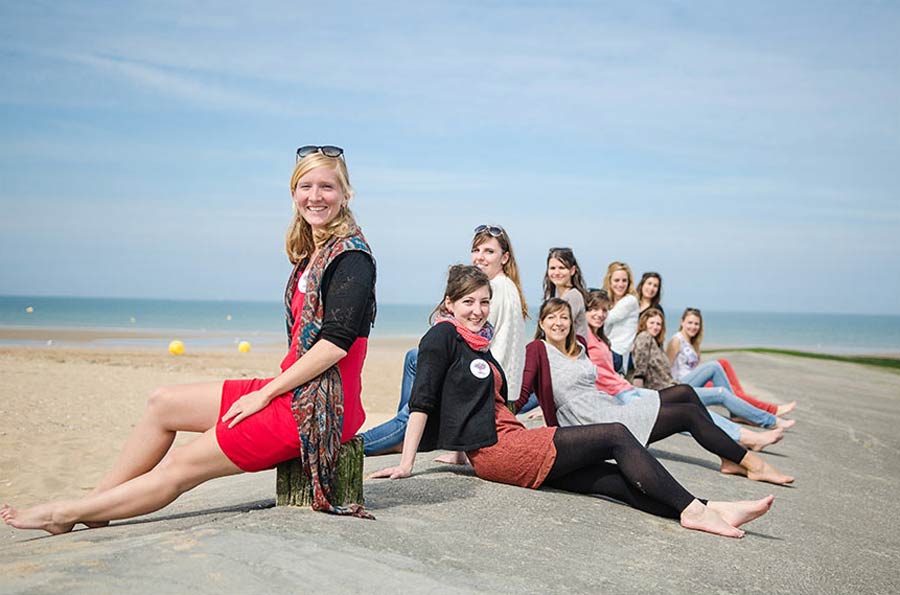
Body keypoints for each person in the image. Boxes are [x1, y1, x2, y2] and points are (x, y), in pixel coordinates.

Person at [1, 145, 377, 534]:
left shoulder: (352, 258)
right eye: (305, 186)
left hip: (320, 410)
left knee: (180, 467)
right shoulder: (312, 253)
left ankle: (62, 514)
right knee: (162, 403)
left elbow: (335, 344)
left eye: (327, 187)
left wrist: (263, 396)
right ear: (293, 192)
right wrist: (270, 391)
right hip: (294, 391)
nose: (315, 196)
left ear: (346, 194)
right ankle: (95, 506)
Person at [370, 265, 775, 539]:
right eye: (468, 303)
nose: (477, 311)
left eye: (484, 301)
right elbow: (422, 401)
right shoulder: (442, 336)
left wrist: (459, 454)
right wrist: (406, 464)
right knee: (616, 435)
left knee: (610, 479)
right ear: (449, 305)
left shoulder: (480, 345)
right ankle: (695, 512)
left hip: (511, 440)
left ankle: (711, 508)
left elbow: (472, 404)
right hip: (501, 451)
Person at [516, 298, 794, 484]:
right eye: (551, 317)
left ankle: (728, 457)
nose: (558, 322)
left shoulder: (579, 344)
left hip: (608, 405)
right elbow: (524, 389)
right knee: (686, 414)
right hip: (587, 422)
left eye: (563, 317)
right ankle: (753, 464)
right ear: (541, 323)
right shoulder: (538, 350)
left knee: (685, 391)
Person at [360, 224, 529, 455]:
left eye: (489, 251)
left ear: (505, 257)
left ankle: (377, 438)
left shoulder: (494, 289)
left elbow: (476, 348)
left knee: (421, 379)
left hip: (487, 389)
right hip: (498, 383)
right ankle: (408, 429)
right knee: (415, 358)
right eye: (477, 250)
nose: (480, 257)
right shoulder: (506, 286)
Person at [631, 307, 794, 434]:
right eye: (652, 322)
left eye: (659, 323)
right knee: (720, 388)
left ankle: (740, 413)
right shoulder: (647, 338)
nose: (656, 326)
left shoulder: (654, 342)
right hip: (669, 391)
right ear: (644, 322)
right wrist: (640, 401)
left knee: (717, 370)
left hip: (674, 387)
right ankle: (770, 420)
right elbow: (640, 369)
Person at [666, 308, 796, 417]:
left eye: (696, 324)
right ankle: (769, 410)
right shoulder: (676, 341)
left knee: (724, 364)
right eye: (690, 323)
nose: (693, 327)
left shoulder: (691, 342)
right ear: (682, 322)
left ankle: (737, 404)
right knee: (717, 371)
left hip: (693, 380)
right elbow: (666, 368)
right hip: (682, 385)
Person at [601, 261, 640, 373]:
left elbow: (606, 319)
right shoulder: (609, 301)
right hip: (606, 350)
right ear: (609, 281)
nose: (621, 284)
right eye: (616, 280)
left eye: (624, 280)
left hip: (617, 354)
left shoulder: (630, 301)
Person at [543, 248, 589, 339]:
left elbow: (559, 328)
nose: (556, 272)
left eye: (562, 268)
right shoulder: (558, 297)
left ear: (572, 270)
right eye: (552, 268)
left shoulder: (573, 296)